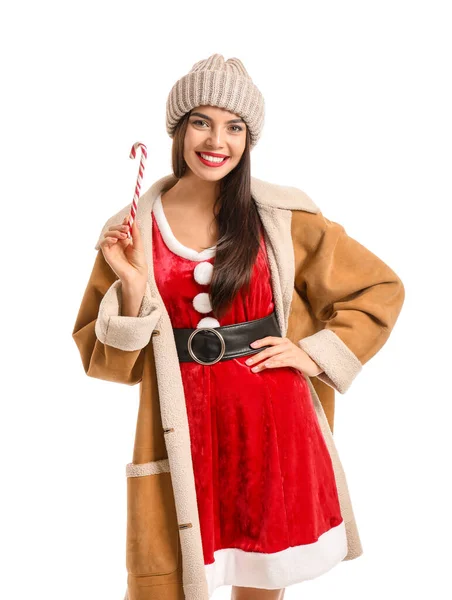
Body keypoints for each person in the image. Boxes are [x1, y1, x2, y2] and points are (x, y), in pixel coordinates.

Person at [72, 54, 405, 600]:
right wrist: (132, 287)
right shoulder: (131, 230)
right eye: (200, 121)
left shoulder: (279, 216)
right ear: (178, 130)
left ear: (250, 139)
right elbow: (107, 366)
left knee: (259, 579)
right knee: (168, 581)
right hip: (179, 434)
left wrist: (314, 354)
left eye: (234, 127)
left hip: (270, 425)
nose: (216, 140)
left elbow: (379, 288)